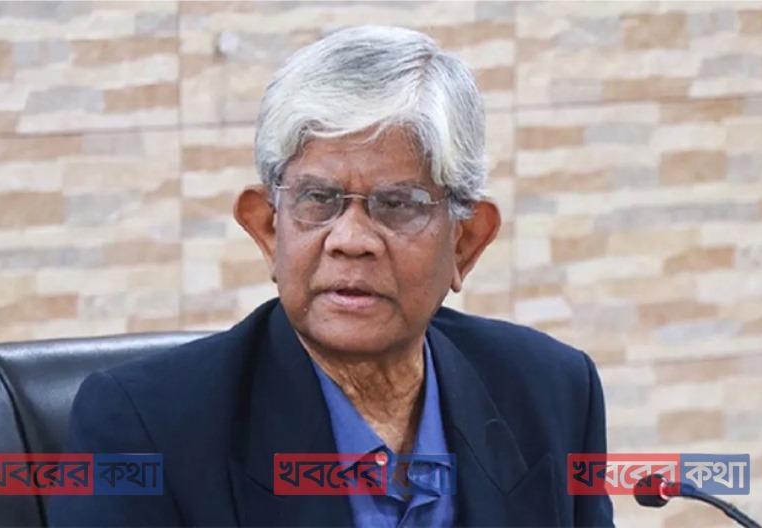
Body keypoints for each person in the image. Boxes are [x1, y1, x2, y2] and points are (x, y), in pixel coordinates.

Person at [48, 25, 613, 527]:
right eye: (317, 199)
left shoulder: (552, 391)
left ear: (465, 242)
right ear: (268, 229)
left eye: (398, 204)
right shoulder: (143, 429)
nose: (350, 240)